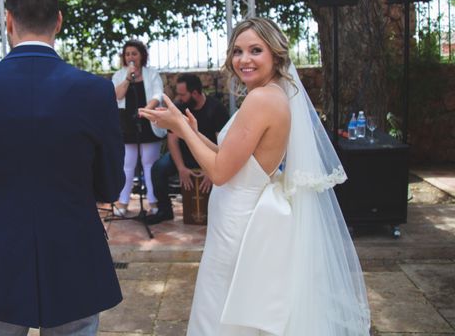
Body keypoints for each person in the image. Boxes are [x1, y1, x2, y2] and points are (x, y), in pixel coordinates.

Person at [140, 17, 370, 335]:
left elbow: (220, 173)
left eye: (255, 50)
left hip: (239, 219)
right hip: (241, 210)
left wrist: (179, 128)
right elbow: (230, 159)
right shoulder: (272, 93)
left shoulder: (261, 100)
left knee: (221, 311)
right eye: (237, 51)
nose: (244, 60)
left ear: (275, 55)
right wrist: (193, 132)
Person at [0, 0, 125, 335]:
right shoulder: (96, 92)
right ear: (58, 21)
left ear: (8, 21)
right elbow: (109, 185)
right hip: (74, 253)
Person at [146, 73, 228, 225]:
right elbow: (172, 140)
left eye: (182, 94)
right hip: (183, 156)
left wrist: (212, 171)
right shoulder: (179, 108)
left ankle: (217, 214)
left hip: (207, 155)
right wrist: (181, 168)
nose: (178, 98)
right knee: (158, 169)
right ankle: (165, 211)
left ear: (195, 93)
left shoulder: (216, 108)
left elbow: (221, 144)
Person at [111, 40, 167, 217]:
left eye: (134, 53)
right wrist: (128, 77)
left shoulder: (152, 74)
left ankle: (153, 202)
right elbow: (116, 96)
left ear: (142, 55)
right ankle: (123, 202)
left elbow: (159, 95)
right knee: (127, 165)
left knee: (149, 164)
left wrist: (146, 110)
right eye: (127, 54)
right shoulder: (120, 75)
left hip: (148, 121)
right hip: (127, 124)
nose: (130, 57)